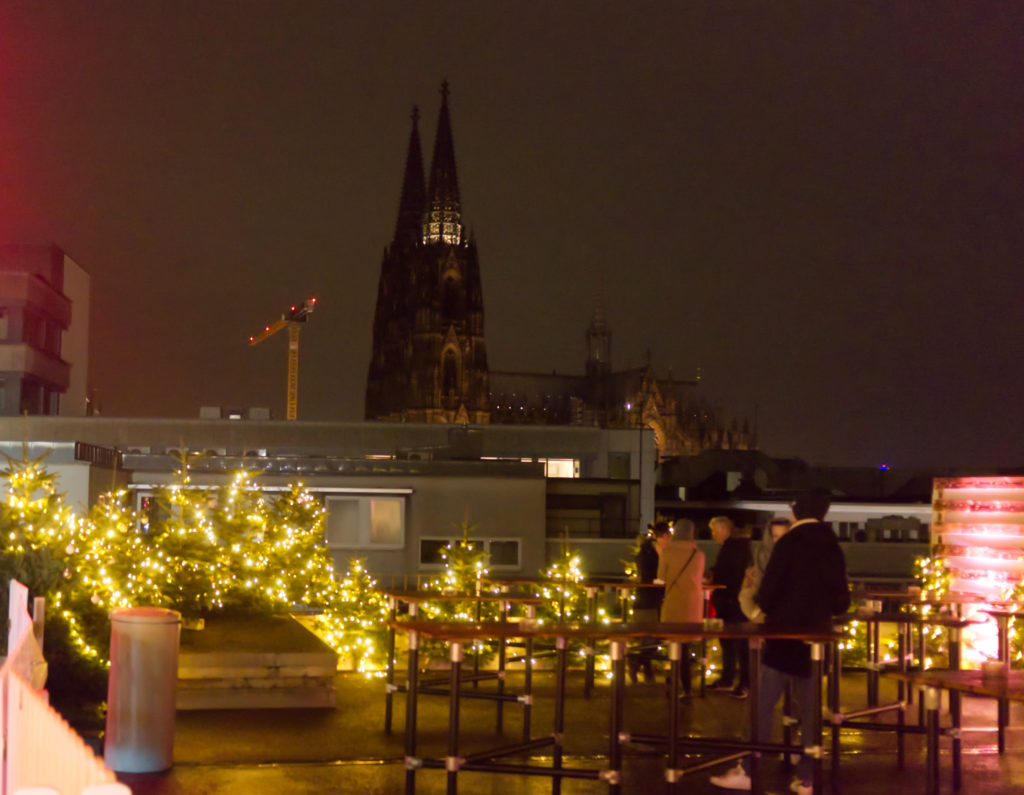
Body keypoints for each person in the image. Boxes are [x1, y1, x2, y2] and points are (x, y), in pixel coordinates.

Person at [710, 489, 850, 794]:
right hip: (815, 638)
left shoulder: (789, 543)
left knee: (763, 703)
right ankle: (807, 777)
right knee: (811, 708)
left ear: (797, 512)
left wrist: (763, 606)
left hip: (783, 637)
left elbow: (769, 592)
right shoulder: (832, 545)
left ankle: (749, 768)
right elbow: (842, 601)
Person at [657, 518, 704, 697]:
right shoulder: (699, 554)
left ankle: (676, 682)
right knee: (686, 648)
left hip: (674, 602)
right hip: (693, 606)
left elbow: (661, 577)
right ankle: (686, 686)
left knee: (675, 646)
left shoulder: (667, 552)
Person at [706, 516, 752, 698]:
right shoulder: (740, 547)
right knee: (735, 643)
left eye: (715, 531)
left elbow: (728, 573)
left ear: (725, 530)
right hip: (733, 601)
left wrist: (713, 578)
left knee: (737, 643)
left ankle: (741, 682)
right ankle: (732, 679)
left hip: (732, 601)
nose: (713, 535)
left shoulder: (732, 548)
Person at [628, 522, 669, 684]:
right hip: (646, 600)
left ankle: (641, 665)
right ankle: (640, 664)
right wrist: (655, 580)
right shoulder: (646, 552)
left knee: (654, 638)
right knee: (650, 638)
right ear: (663, 536)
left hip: (659, 600)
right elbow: (643, 574)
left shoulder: (661, 551)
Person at [738, 518, 792, 623]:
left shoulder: (797, 556)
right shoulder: (762, 556)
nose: (780, 540)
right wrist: (755, 614)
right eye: (776, 536)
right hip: (764, 615)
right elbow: (750, 589)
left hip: (789, 617)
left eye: (784, 535)